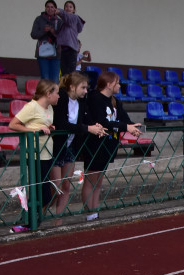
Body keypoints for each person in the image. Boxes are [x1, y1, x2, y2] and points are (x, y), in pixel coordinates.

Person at [84, 70, 141, 221]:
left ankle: (95, 210)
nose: (120, 85)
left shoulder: (115, 101)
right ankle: (89, 212)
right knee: (91, 178)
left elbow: (123, 118)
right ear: (109, 84)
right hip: (95, 144)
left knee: (99, 179)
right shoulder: (95, 98)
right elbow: (102, 121)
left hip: (109, 144)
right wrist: (125, 127)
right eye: (117, 83)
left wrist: (131, 125)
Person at [49, 71, 106, 219]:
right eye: (83, 88)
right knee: (56, 188)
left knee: (66, 185)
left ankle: (58, 221)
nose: (86, 91)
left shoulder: (81, 101)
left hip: (71, 146)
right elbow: (62, 123)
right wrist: (88, 128)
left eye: (86, 88)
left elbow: (84, 120)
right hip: (56, 146)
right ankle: (39, 216)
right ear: (72, 87)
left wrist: (96, 126)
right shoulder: (61, 98)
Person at [8, 79, 59, 231]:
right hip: (35, 154)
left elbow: (42, 124)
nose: (59, 96)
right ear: (48, 93)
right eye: (57, 93)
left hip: (47, 152)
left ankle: (33, 221)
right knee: (41, 191)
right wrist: (34, 131)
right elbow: (13, 124)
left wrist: (49, 127)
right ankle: (29, 222)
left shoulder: (50, 108)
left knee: (46, 190)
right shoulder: (31, 107)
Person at [31, 0, 62, 82]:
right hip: (42, 53)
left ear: (55, 9)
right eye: (47, 7)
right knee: (45, 78)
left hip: (56, 54)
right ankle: (45, 95)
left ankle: (54, 94)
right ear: (45, 8)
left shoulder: (59, 21)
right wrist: (44, 31)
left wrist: (53, 32)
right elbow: (33, 34)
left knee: (55, 78)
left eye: (52, 7)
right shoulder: (39, 19)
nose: (50, 9)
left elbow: (62, 37)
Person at [55, 0, 85, 76]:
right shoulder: (63, 22)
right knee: (64, 73)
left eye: (70, 7)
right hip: (63, 50)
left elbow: (67, 17)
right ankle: (65, 87)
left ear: (74, 10)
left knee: (70, 74)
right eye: (66, 6)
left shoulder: (74, 18)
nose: (68, 8)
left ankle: (71, 87)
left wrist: (59, 11)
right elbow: (61, 36)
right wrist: (52, 31)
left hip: (71, 50)